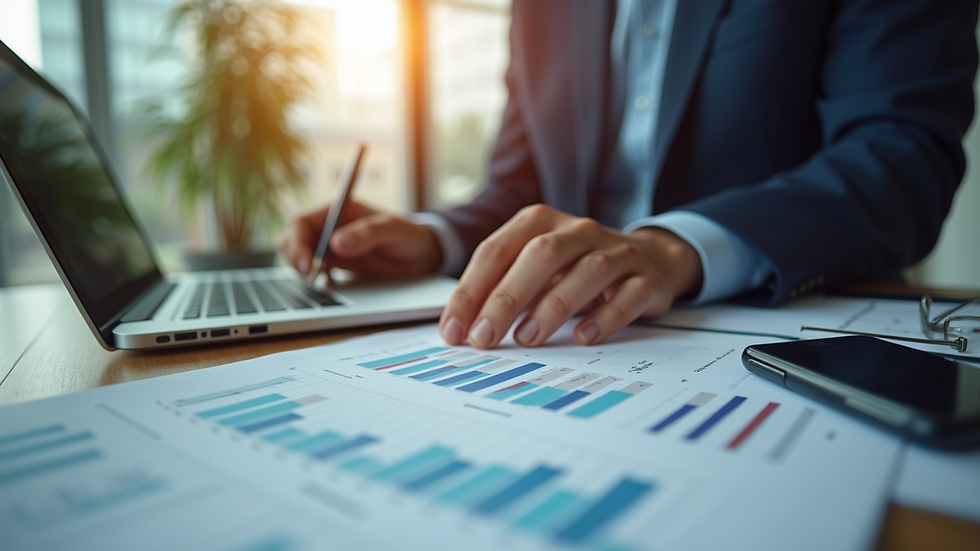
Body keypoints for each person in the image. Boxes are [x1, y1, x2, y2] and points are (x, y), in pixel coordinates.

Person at [280, 0, 978, 350]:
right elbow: (518, 186)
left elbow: (902, 151)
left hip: (792, 328)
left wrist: (674, 246)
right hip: (583, 339)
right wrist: (429, 236)